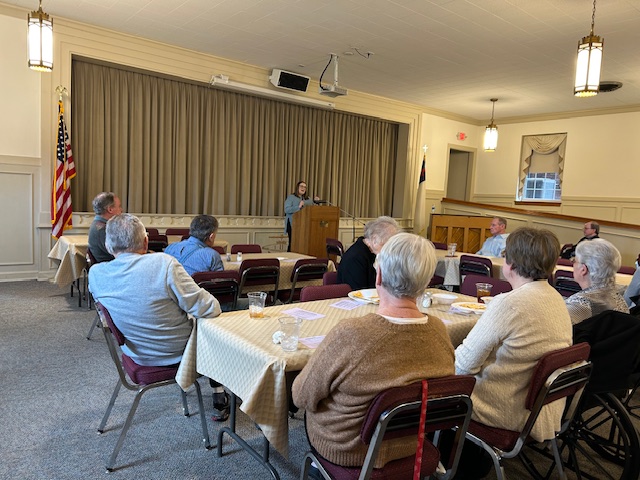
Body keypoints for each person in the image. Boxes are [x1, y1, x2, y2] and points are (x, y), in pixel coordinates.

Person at [292, 233, 455, 469]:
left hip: (348, 448)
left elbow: (301, 396)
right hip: (408, 443)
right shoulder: (439, 331)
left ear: (378, 276)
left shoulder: (351, 333)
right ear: (427, 281)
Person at [88, 213, 230, 421]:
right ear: (145, 242)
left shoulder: (95, 274)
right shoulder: (163, 264)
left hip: (135, 353)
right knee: (218, 330)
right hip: (179, 354)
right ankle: (221, 393)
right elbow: (210, 308)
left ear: (108, 247)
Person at [455, 227, 572, 475]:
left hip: (502, 410)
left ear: (510, 264)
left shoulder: (509, 303)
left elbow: (463, 365)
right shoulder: (557, 299)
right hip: (541, 408)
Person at [565, 238, 629, 325]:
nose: (573, 264)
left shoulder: (578, 305)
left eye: (574, 261)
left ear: (583, 270)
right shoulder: (620, 299)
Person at [337, 216, 401, 290]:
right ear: (374, 240)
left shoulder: (373, 253)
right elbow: (359, 293)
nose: (391, 250)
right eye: (388, 245)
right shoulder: (355, 258)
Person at [284, 180, 319, 251]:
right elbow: (287, 210)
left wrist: (316, 202)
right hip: (292, 224)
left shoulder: (308, 199)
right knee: (293, 243)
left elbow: (313, 208)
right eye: (301, 186)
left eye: (305, 187)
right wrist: (298, 207)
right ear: (297, 187)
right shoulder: (291, 197)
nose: (303, 188)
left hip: (304, 225)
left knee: (303, 244)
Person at [88, 192, 122, 262]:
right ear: (110, 209)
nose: (121, 210)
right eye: (119, 206)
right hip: (112, 266)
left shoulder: (98, 224)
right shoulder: (103, 230)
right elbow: (120, 255)